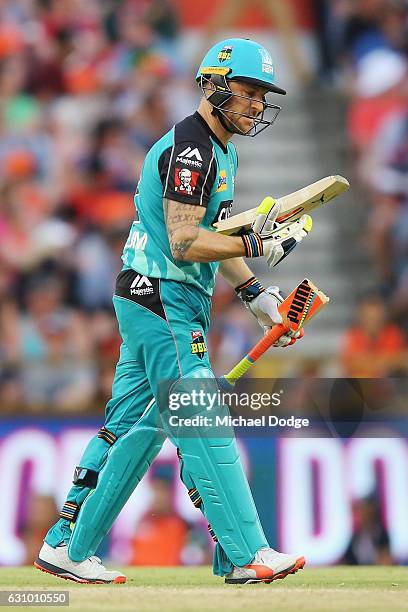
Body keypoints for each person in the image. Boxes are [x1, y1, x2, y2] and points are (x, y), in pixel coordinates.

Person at [35, 38, 311, 585]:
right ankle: (246, 553)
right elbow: (187, 242)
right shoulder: (193, 148)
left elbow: (216, 237)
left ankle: (67, 544)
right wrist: (255, 244)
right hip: (162, 297)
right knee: (199, 416)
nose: (257, 104)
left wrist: (257, 295)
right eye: (250, 91)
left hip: (154, 296)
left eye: (262, 95)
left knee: (135, 428)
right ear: (215, 84)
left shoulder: (220, 150)